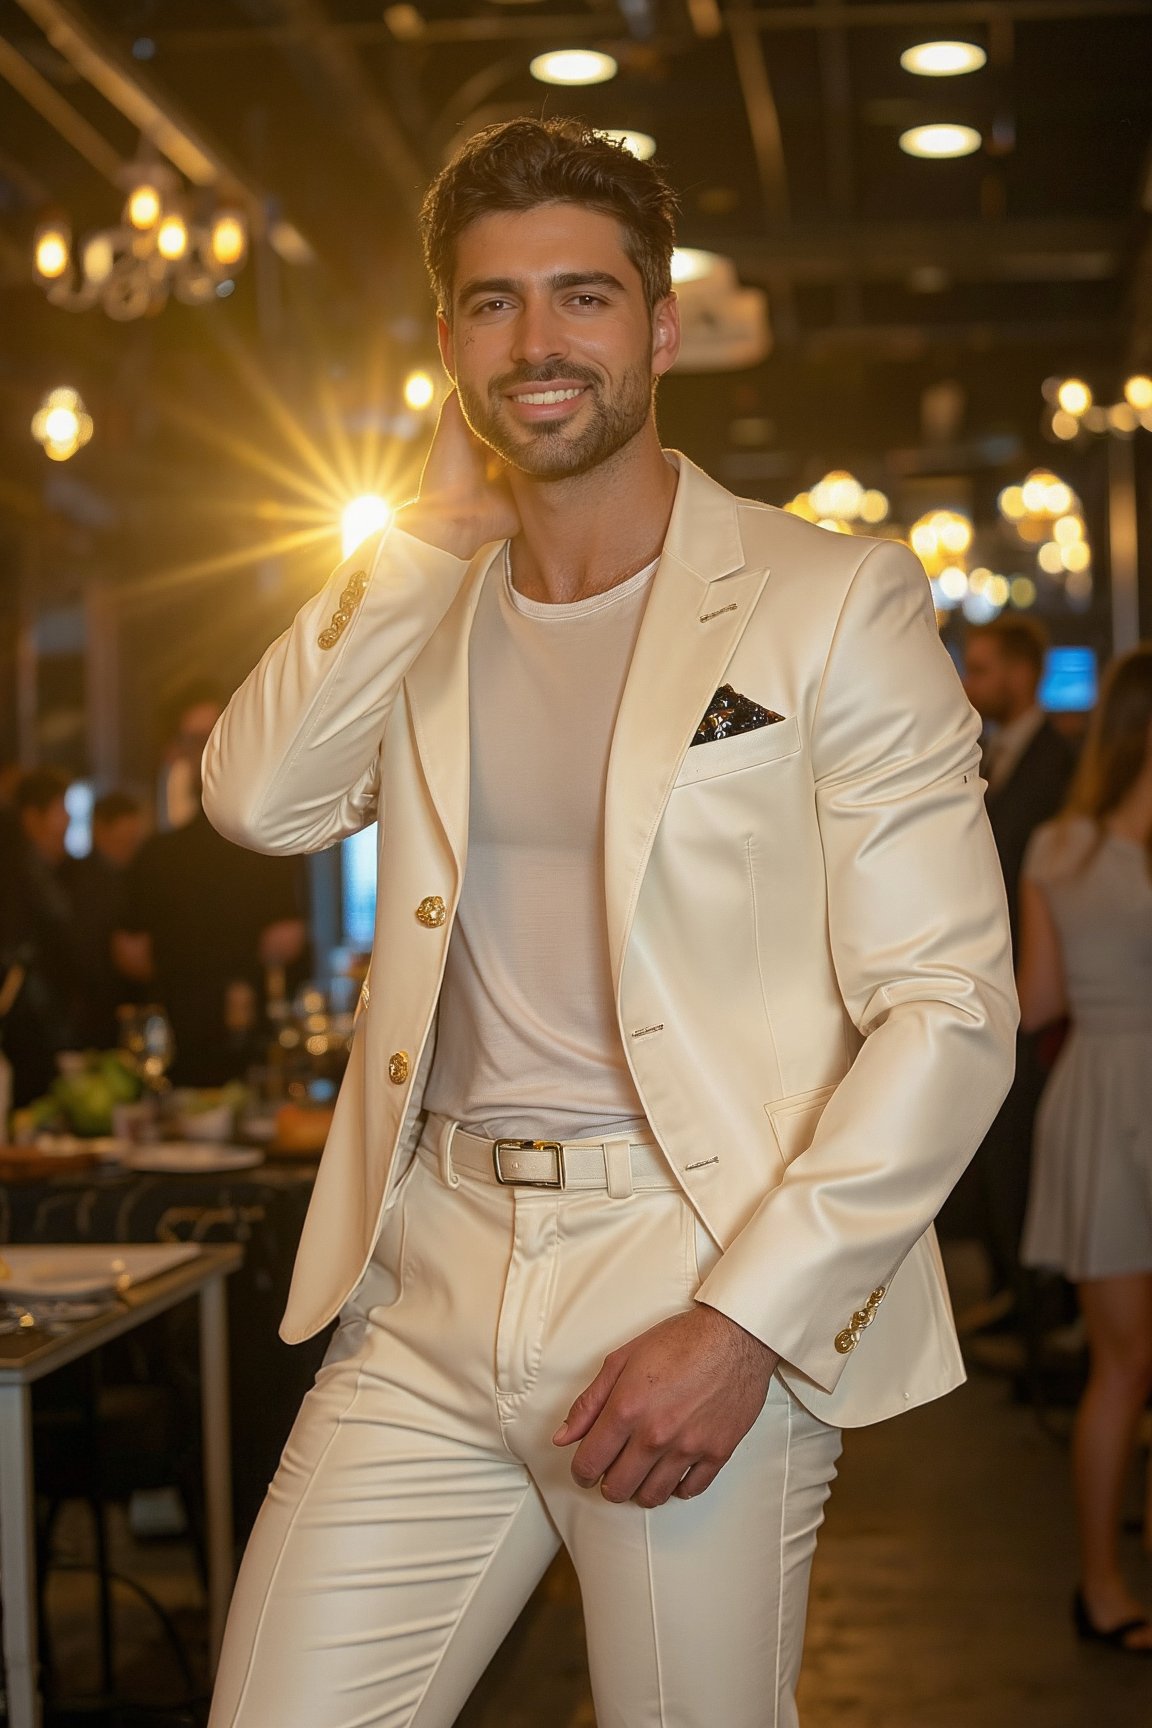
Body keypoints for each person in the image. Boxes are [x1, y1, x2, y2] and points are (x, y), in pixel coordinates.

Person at [202, 118, 1016, 1728]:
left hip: (687, 1257)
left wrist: (744, 1325)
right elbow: (258, 802)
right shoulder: (426, 612)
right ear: (447, 345)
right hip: (426, 1272)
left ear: (660, 322)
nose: (540, 341)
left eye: (584, 296)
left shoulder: (826, 600)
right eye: (494, 305)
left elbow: (949, 1007)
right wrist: (430, 536)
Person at [1017, 645, 1152, 1655]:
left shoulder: (1057, 848)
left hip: (1098, 1094)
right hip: (1119, 1091)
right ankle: (1104, 1585)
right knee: (1128, 1365)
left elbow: (1036, 1003)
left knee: (1122, 1364)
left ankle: (1102, 1587)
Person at [957, 617, 1076, 1325]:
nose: (971, 684)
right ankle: (1013, 1287)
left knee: (1020, 1140)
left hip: (1033, 975)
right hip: (991, 970)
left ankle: (1038, 1302)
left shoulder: (1058, 767)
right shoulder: (990, 751)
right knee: (993, 1139)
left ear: (1024, 674)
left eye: (983, 670)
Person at [115, 779, 307, 1087]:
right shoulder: (268, 851)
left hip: (174, 1025)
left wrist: (175, 973)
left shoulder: (158, 852)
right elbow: (287, 941)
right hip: (248, 1021)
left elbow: (130, 953)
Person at [0, 768, 84, 1105]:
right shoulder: (22, 874)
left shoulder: (40, 871)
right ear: (32, 817)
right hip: (28, 1036)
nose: (66, 821)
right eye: (60, 809)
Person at [63, 790, 147, 1048]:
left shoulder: (132, 878)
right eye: (125, 840)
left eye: (135, 841)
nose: (132, 848)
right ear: (100, 829)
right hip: (91, 1008)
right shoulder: (78, 880)